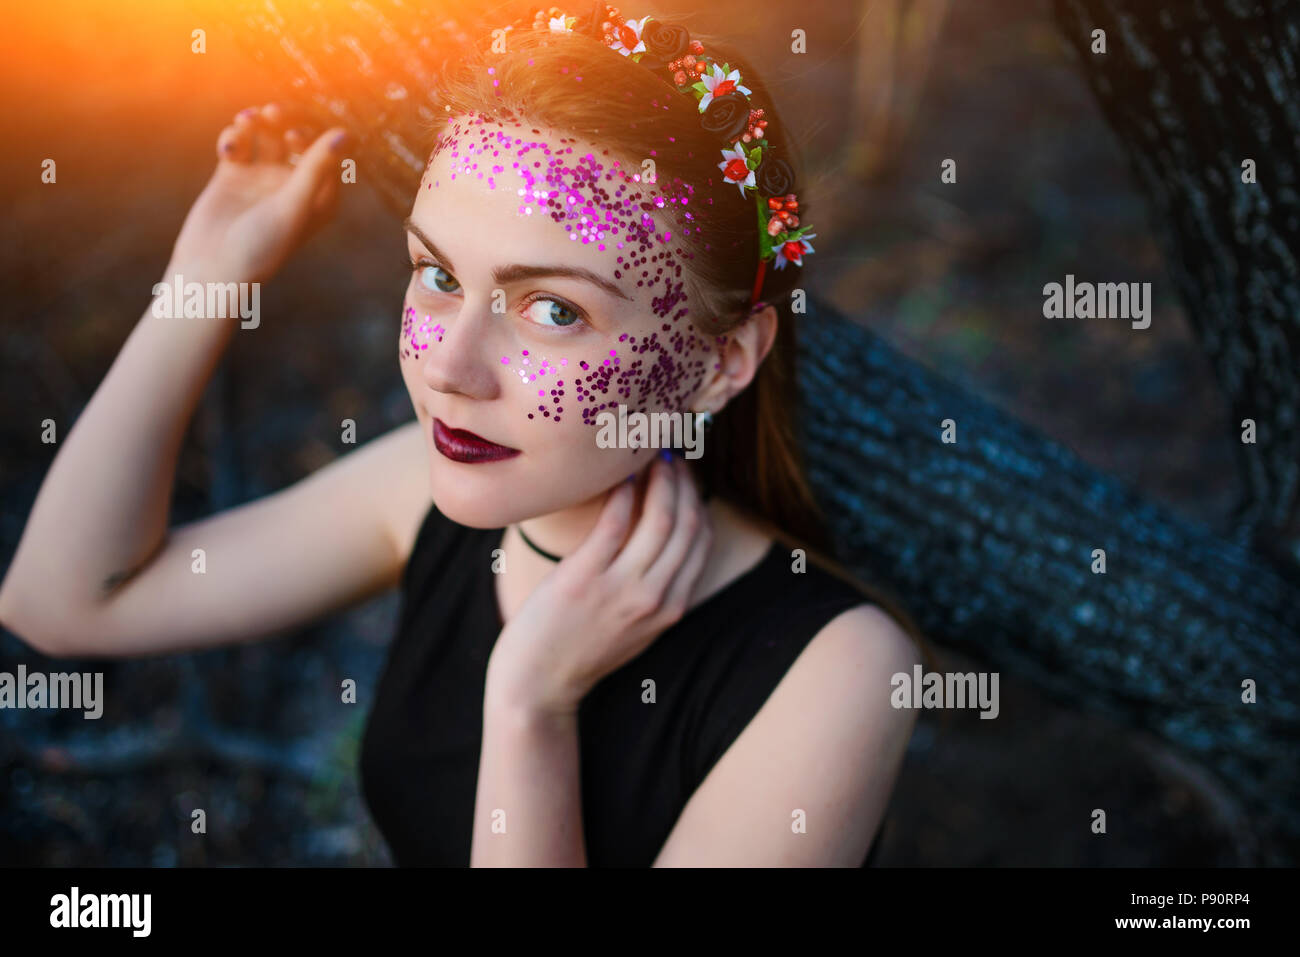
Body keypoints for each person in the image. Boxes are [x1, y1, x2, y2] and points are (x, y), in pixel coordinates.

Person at [0, 3, 930, 866]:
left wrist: (531, 705)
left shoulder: (835, 673)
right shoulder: (421, 488)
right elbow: (64, 600)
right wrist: (209, 272)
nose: (449, 366)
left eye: (553, 310)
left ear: (722, 362)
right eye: (438, 276)